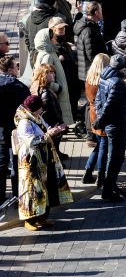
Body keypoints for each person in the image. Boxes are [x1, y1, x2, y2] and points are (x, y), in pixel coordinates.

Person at [12, 94, 71, 230]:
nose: (42, 111)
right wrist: (48, 135)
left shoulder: (37, 117)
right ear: (34, 109)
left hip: (44, 160)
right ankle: (30, 220)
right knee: (32, 190)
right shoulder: (25, 122)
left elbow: (44, 130)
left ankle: (42, 217)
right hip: (32, 161)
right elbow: (31, 141)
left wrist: (54, 130)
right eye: (40, 109)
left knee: (45, 188)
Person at [93, 55, 126, 202]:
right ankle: (108, 190)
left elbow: (99, 100)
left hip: (110, 123)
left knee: (113, 156)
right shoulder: (117, 83)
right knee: (117, 157)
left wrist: (99, 116)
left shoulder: (104, 77)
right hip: (116, 124)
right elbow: (111, 105)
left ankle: (112, 185)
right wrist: (101, 121)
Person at [0, 55, 30, 200]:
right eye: (16, 66)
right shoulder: (19, 87)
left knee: (1, 163)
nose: (18, 69)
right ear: (11, 69)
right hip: (15, 130)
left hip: (0, 130)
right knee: (17, 163)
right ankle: (18, 195)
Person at [82, 53, 110, 187]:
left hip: (92, 114)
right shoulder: (102, 81)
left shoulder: (89, 79)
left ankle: (88, 171)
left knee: (99, 145)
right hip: (102, 115)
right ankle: (101, 175)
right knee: (103, 146)